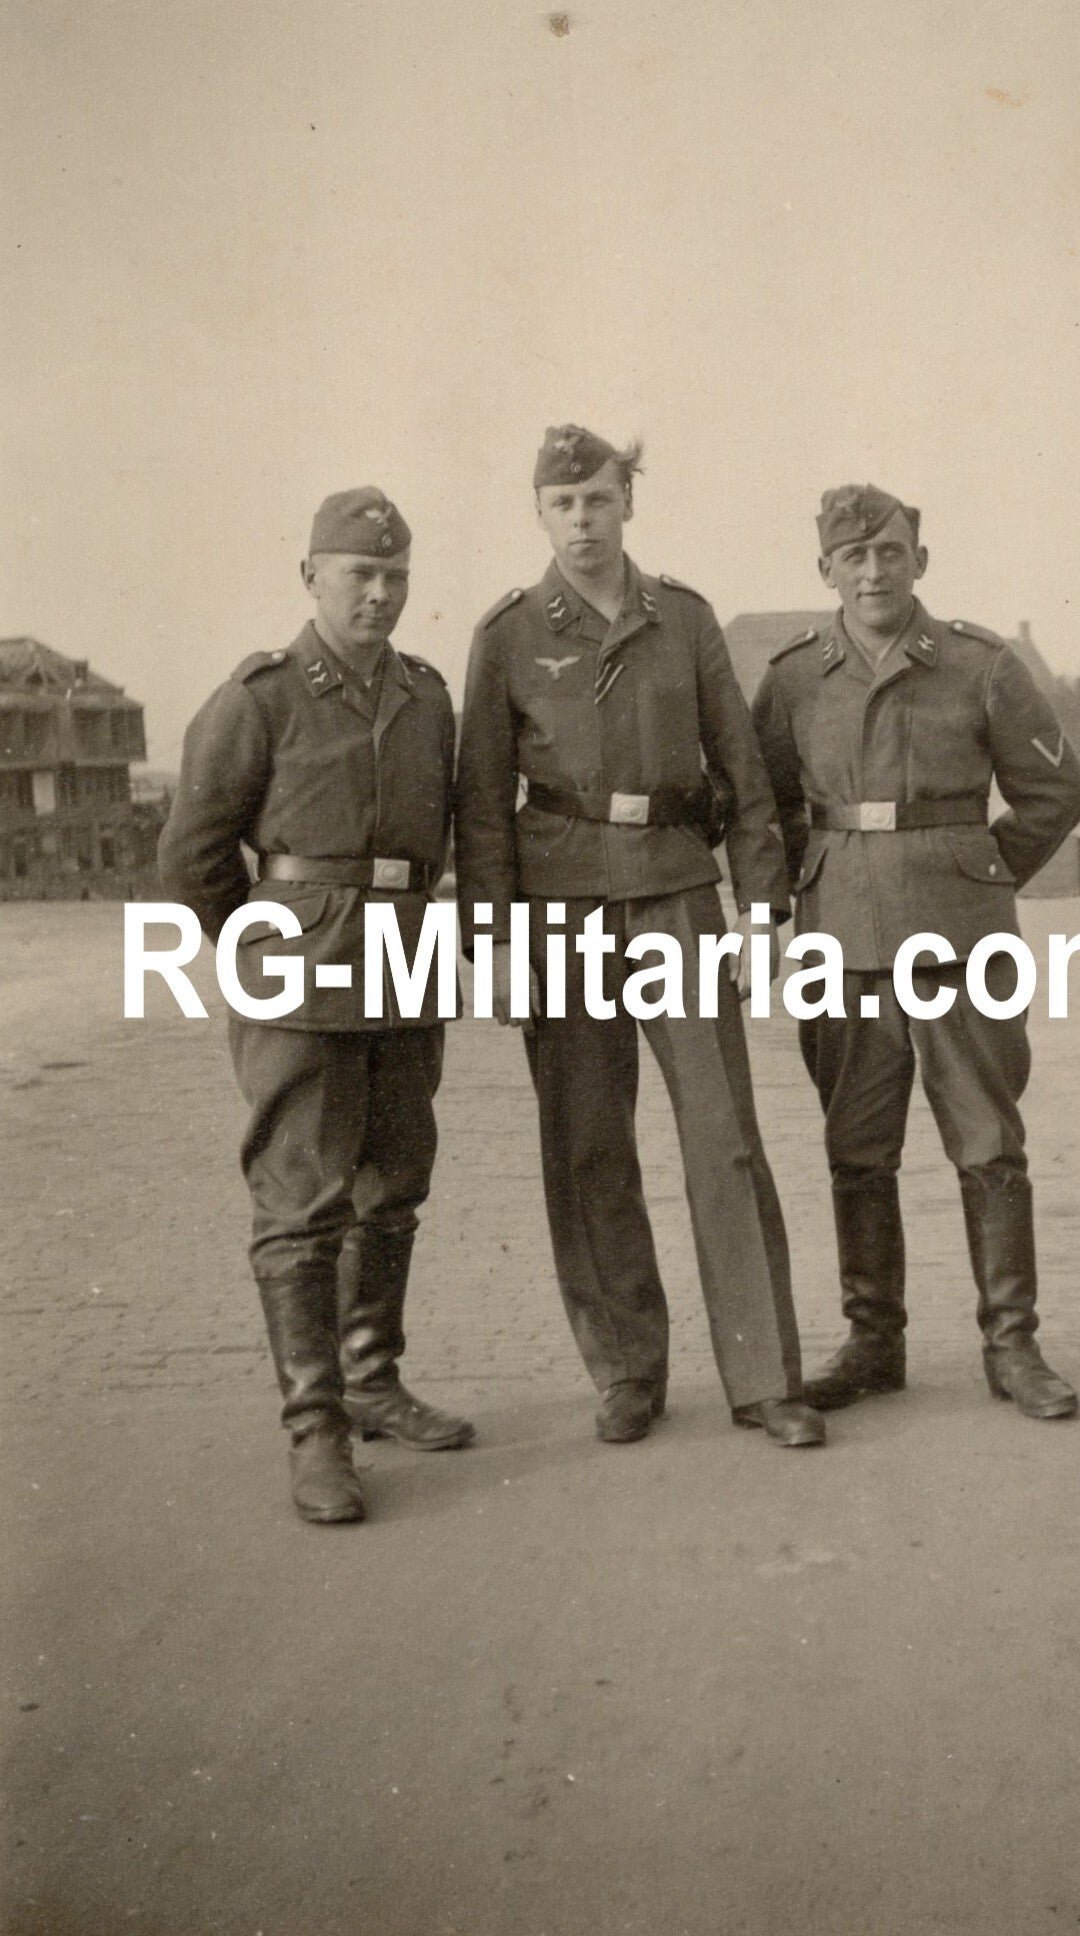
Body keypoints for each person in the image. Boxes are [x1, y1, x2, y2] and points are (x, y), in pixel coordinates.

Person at [455, 425, 823, 1448]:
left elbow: (744, 773)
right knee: (588, 1145)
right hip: (560, 905)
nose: (583, 521)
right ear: (539, 513)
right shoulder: (507, 634)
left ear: (628, 502)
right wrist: (494, 942)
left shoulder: (685, 620)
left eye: (599, 499)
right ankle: (625, 1369)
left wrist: (762, 911)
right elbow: (479, 806)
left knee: (723, 1135)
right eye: (563, 503)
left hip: (674, 892)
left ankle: (764, 1376)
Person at [159, 488, 473, 1525]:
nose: (379, 594)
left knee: (395, 1184)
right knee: (300, 1204)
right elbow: (192, 855)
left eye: (395, 576)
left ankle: (373, 1381)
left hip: (405, 959)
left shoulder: (427, 696)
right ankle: (316, 1430)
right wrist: (264, 947)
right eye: (359, 574)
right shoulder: (259, 697)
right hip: (300, 973)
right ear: (311, 577)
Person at [752, 483, 1080, 1420]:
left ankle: (1013, 1346)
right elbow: (761, 804)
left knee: (989, 1146)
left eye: (891, 553)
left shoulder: (980, 665)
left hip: (959, 942)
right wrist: (805, 882)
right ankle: (873, 1343)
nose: (874, 572)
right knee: (857, 1149)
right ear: (826, 570)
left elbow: (1056, 793)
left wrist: (983, 872)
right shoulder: (792, 679)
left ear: (920, 562)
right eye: (853, 557)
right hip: (841, 944)